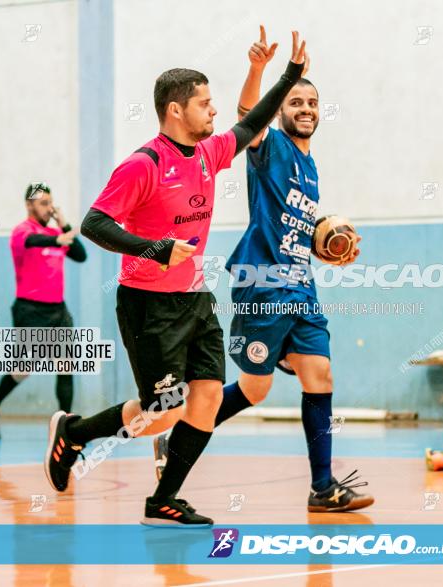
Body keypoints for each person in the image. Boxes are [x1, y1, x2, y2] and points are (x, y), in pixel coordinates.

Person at [42, 32, 308, 527]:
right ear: (174, 111)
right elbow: (95, 224)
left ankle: (163, 500)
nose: (214, 111)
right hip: (148, 304)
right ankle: (75, 433)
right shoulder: (144, 165)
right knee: (161, 413)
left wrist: (289, 74)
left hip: (194, 300)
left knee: (206, 400)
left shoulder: (209, 154)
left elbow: (252, 122)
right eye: (204, 104)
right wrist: (156, 249)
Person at [154, 26, 372, 513]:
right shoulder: (269, 148)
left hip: (301, 287)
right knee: (254, 388)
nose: (306, 110)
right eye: (295, 102)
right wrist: (257, 71)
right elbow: (246, 116)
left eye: (312, 104)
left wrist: (325, 243)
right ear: (279, 111)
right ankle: (178, 439)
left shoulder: (312, 169)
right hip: (263, 285)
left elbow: (296, 225)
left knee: (321, 374)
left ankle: (323, 488)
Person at [0, 183, 86, 440]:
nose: (48, 208)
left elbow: (81, 255)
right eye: (43, 203)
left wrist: (64, 225)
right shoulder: (21, 232)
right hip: (30, 309)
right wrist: (56, 237)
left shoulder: (56, 233)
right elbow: (32, 241)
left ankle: (65, 429)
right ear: (29, 205)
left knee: (65, 364)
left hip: (57, 311)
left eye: (50, 203)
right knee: (24, 367)